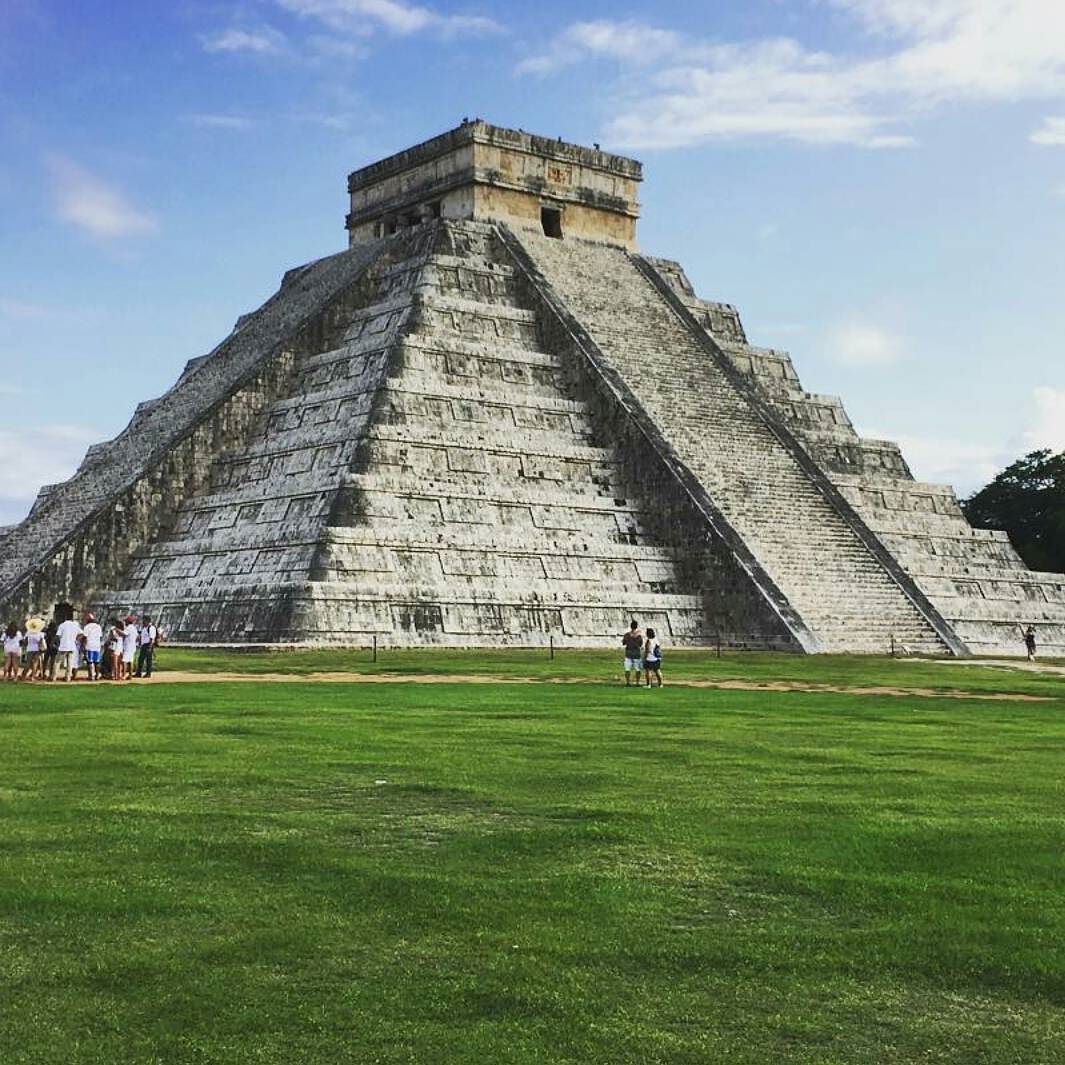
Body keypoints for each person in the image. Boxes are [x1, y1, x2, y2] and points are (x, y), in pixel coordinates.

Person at [55, 614, 81, 682]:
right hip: (72, 646)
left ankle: (54, 677)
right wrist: (76, 639)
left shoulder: (62, 625)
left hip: (63, 646)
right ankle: (68, 677)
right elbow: (81, 633)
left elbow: (58, 635)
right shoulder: (75, 625)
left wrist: (59, 643)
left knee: (57, 662)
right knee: (70, 663)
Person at [621, 619, 643, 687]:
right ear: (636, 627)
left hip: (628, 653)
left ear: (631, 626)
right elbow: (640, 644)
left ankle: (628, 682)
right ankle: (637, 682)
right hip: (636, 653)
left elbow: (623, 643)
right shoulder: (639, 636)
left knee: (627, 669)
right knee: (638, 669)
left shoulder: (627, 635)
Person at [82, 613, 103, 681]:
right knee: (97, 662)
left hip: (89, 645)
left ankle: (91, 676)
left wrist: (82, 645)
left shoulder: (87, 627)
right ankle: (97, 675)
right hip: (97, 646)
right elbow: (100, 637)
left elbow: (85, 637)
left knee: (90, 661)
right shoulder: (98, 626)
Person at [122, 615, 138, 680]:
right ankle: (130, 675)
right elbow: (137, 637)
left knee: (124, 661)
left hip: (128, 647)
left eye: (126, 621)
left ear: (128, 622)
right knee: (130, 661)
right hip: (133, 646)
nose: (125, 622)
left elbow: (124, 633)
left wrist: (117, 630)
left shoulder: (128, 628)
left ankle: (123, 675)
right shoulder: (134, 628)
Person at [42, 617, 59, 681]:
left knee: (45, 661)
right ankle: (50, 674)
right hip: (54, 648)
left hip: (48, 647)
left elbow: (45, 637)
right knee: (52, 662)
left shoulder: (47, 631)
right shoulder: (56, 631)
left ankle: (44, 673)